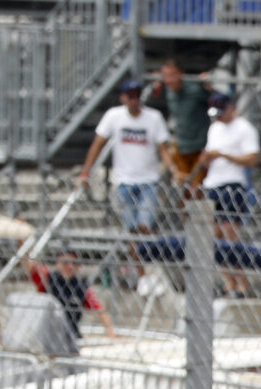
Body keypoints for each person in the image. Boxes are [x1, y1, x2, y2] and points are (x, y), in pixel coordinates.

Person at [81, 82, 171, 235]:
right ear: (123, 98)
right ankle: (134, 250)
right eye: (130, 96)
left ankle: (143, 248)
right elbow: (97, 145)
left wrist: (173, 169)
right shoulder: (113, 116)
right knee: (131, 228)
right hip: (123, 180)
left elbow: (164, 149)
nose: (134, 100)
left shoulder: (154, 117)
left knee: (145, 225)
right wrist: (85, 173)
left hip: (149, 180)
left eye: (137, 96)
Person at [196, 91, 260, 228]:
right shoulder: (214, 127)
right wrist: (206, 157)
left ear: (230, 108)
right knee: (212, 228)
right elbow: (206, 159)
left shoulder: (244, 128)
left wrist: (223, 155)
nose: (218, 117)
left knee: (229, 226)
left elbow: (252, 160)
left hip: (233, 183)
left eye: (220, 113)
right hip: (212, 183)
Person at [34, 251, 117, 352]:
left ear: (79, 266)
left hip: (71, 334)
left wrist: (110, 331)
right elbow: (31, 267)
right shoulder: (48, 279)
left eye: (74, 263)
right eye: (65, 263)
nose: (70, 266)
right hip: (49, 333)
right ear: (57, 264)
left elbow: (99, 308)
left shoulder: (81, 286)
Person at [152, 61, 212, 186]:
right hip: (181, 145)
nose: (169, 80)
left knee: (197, 187)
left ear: (180, 74)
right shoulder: (168, 92)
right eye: (165, 76)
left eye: (172, 75)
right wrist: (155, 86)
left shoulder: (195, 90)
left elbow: (216, 101)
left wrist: (209, 87)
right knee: (182, 185)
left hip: (199, 147)